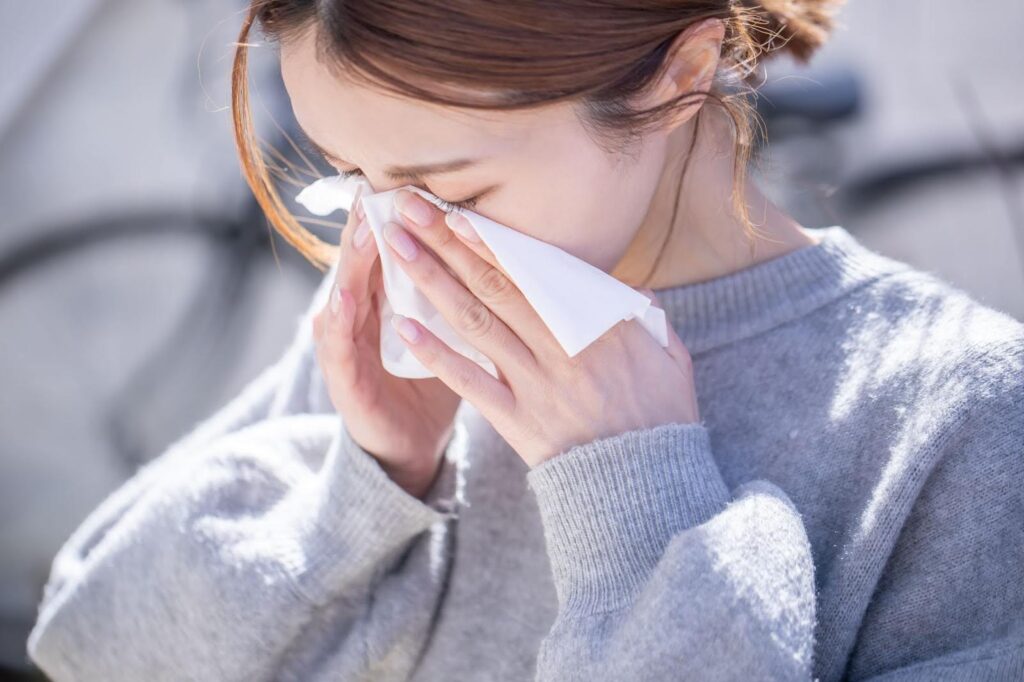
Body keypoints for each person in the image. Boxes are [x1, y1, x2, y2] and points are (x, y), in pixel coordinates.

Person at [26, 0, 1024, 680]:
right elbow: (89, 644)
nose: (396, 232)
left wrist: (637, 497)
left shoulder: (953, 414)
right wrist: (363, 481)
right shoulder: (408, 338)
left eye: (451, 189)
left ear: (678, 73)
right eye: (350, 176)